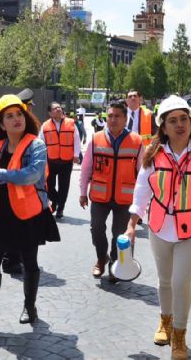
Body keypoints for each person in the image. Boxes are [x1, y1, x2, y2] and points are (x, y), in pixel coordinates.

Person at [124, 95, 191, 359]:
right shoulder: (153, 153)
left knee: (181, 282)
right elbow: (142, 191)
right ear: (164, 126)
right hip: (160, 226)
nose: (180, 124)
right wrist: (132, 223)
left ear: (190, 122)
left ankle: (179, 337)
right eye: (173, 120)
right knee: (164, 280)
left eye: (184, 119)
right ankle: (165, 321)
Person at [0, 94, 60, 331]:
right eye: (9, 116)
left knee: (29, 263)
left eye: (19, 114)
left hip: (28, 216)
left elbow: (33, 174)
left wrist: (3, 174)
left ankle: (30, 308)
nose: (16, 119)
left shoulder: (35, 145)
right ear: (1, 123)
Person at [80, 101, 143, 281]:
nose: (113, 120)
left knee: (120, 234)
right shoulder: (96, 138)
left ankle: (117, 266)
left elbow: (143, 174)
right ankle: (101, 258)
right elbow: (86, 168)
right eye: (110, 116)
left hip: (125, 198)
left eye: (117, 116)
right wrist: (83, 192)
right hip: (100, 195)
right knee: (96, 228)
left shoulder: (136, 141)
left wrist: (141, 203)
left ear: (125, 119)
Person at [40, 102, 80, 219]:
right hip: (51, 160)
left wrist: (76, 154)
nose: (58, 109)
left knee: (64, 186)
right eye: (55, 108)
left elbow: (76, 139)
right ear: (50, 113)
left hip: (66, 161)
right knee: (49, 186)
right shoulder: (45, 126)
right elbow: (40, 142)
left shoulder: (71, 123)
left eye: (59, 107)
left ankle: (60, 209)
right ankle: (56, 201)